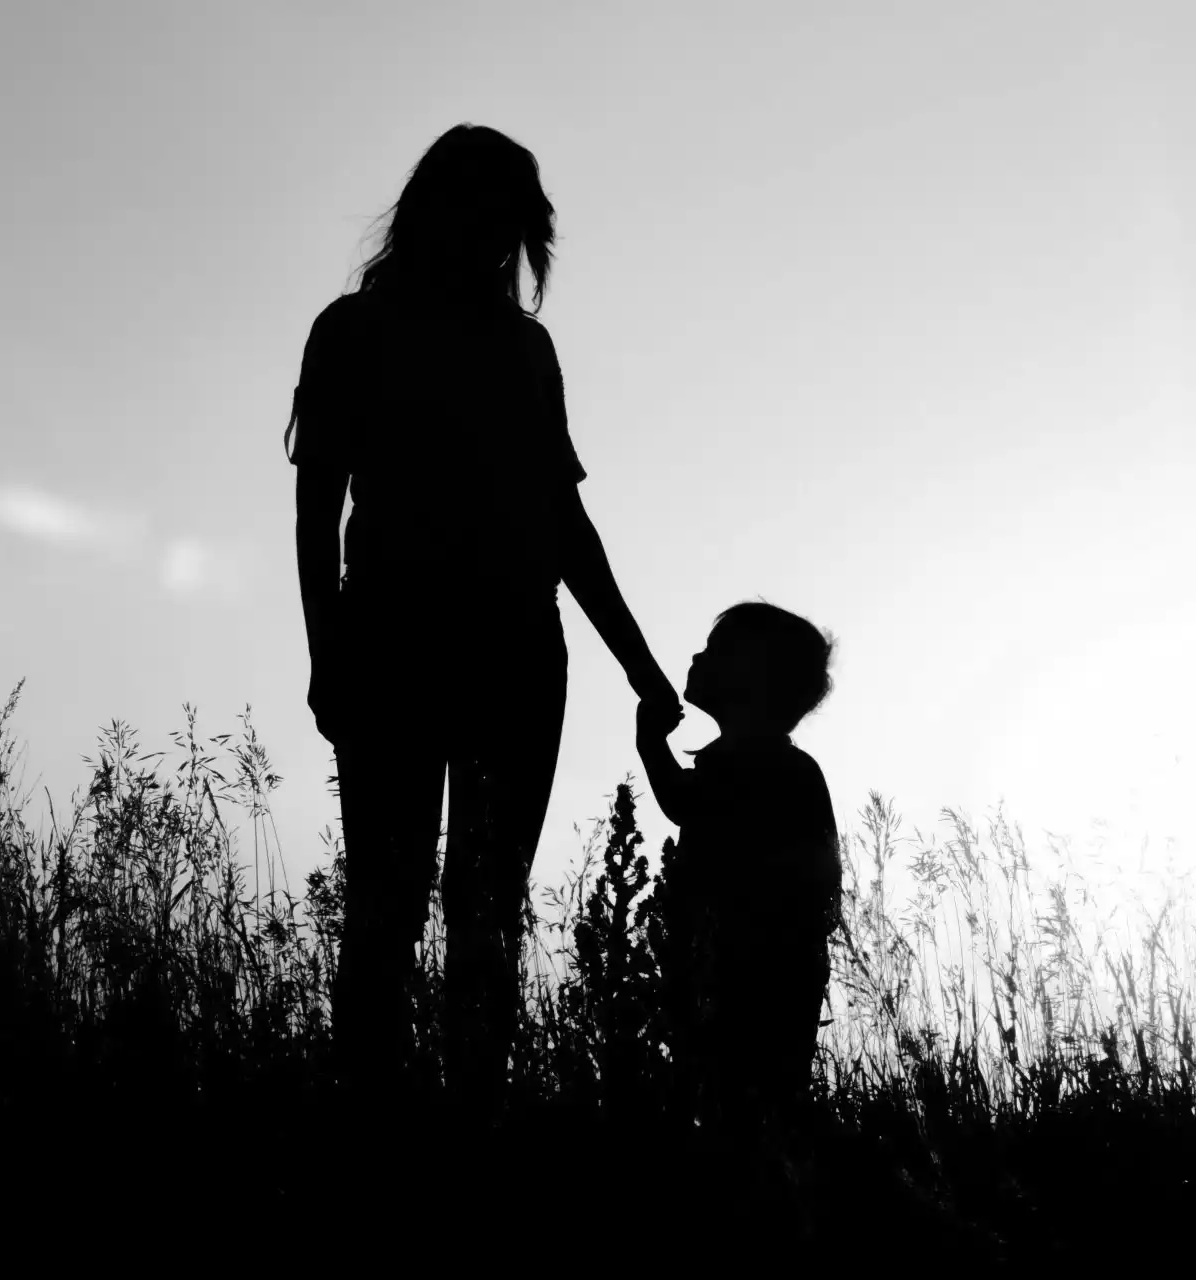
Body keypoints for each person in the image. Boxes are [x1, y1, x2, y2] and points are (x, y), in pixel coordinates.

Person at [287, 123, 682, 1118]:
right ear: (438, 212)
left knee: (487, 911)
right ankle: (369, 1115)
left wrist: (637, 663)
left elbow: (561, 519)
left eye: (508, 222)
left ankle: (472, 1119)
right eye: (485, 214)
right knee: (385, 909)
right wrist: (327, 650)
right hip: (390, 648)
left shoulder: (525, 350)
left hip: (515, 658)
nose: (495, 238)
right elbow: (317, 507)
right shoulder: (353, 332)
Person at [635, 601, 842, 1141]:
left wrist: (649, 744)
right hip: (777, 968)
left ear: (751, 679)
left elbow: (684, 803)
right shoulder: (786, 766)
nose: (699, 656)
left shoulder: (747, 762)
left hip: (741, 964)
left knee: (726, 1100)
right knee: (761, 1104)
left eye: (717, 650)